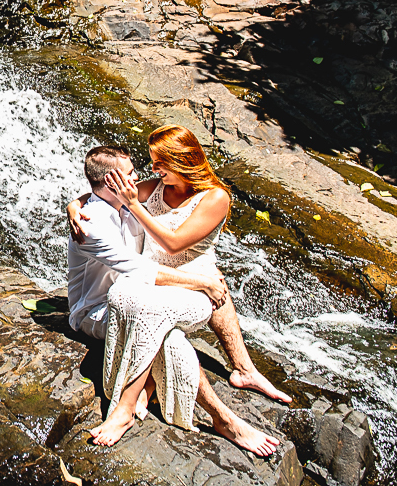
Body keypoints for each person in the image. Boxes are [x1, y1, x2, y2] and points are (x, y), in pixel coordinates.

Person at [68, 144, 280, 454]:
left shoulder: (129, 203)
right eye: (131, 174)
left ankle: (131, 405)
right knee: (163, 331)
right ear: (113, 181)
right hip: (96, 311)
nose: (140, 177)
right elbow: (143, 269)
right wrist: (202, 283)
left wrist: (205, 280)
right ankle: (224, 418)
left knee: (146, 309)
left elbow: (165, 246)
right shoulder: (90, 224)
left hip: (142, 296)